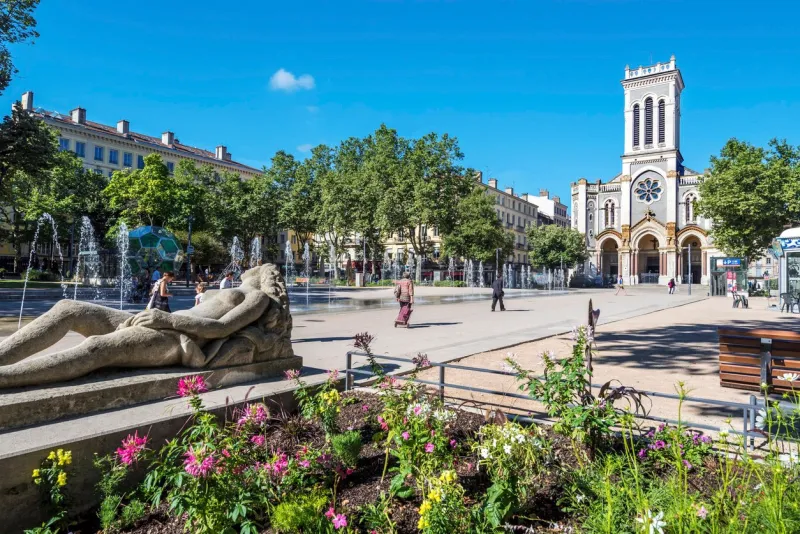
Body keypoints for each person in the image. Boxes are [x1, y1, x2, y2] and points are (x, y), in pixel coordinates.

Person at [0, 264, 293, 389]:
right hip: (162, 323)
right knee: (69, 308)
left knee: (97, 348)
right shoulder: (234, 288)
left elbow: (219, 328)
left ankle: (6, 378)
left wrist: (167, 319)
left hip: (178, 337)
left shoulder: (256, 297)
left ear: (267, 274)